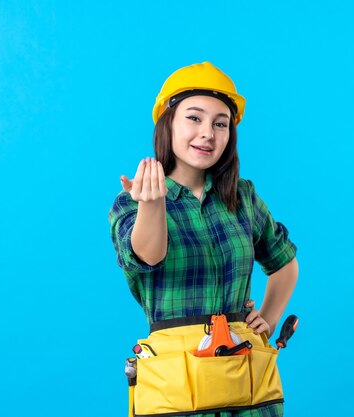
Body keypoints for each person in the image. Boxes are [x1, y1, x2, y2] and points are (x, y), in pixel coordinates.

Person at [108, 62, 299, 417]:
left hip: (247, 381)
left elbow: (284, 263)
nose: (207, 133)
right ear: (168, 123)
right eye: (194, 118)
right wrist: (152, 203)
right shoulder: (130, 203)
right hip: (176, 390)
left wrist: (269, 322)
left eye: (220, 123)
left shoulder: (243, 198)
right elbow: (148, 256)